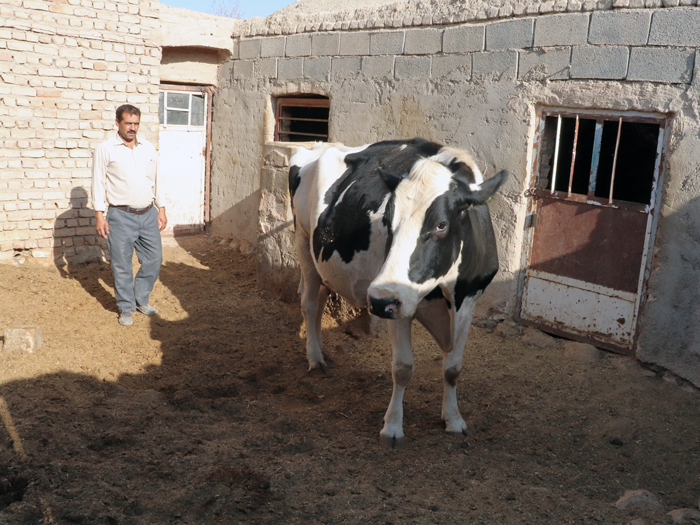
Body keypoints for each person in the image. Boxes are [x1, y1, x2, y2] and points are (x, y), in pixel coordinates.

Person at [91, 104, 167, 326]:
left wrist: (161, 208)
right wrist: (99, 214)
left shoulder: (148, 148)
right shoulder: (106, 149)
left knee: (154, 259)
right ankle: (125, 307)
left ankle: (140, 299)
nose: (132, 128)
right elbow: (98, 181)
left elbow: (157, 178)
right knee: (122, 264)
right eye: (128, 123)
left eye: (136, 124)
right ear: (117, 123)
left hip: (148, 214)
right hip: (120, 216)